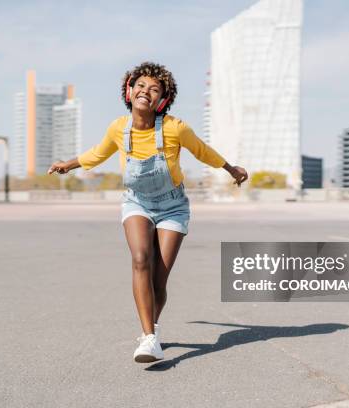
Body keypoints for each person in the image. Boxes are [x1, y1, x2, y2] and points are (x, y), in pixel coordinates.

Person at [48, 61, 248, 363]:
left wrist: (232, 169)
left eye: (155, 89)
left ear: (162, 100)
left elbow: (203, 151)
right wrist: (68, 164)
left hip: (173, 206)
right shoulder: (118, 128)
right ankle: (150, 339)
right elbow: (98, 153)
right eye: (141, 85)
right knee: (140, 258)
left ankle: (149, 328)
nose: (146, 91)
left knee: (158, 282)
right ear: (129, 91)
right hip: (137, 202)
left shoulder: (174, 128)